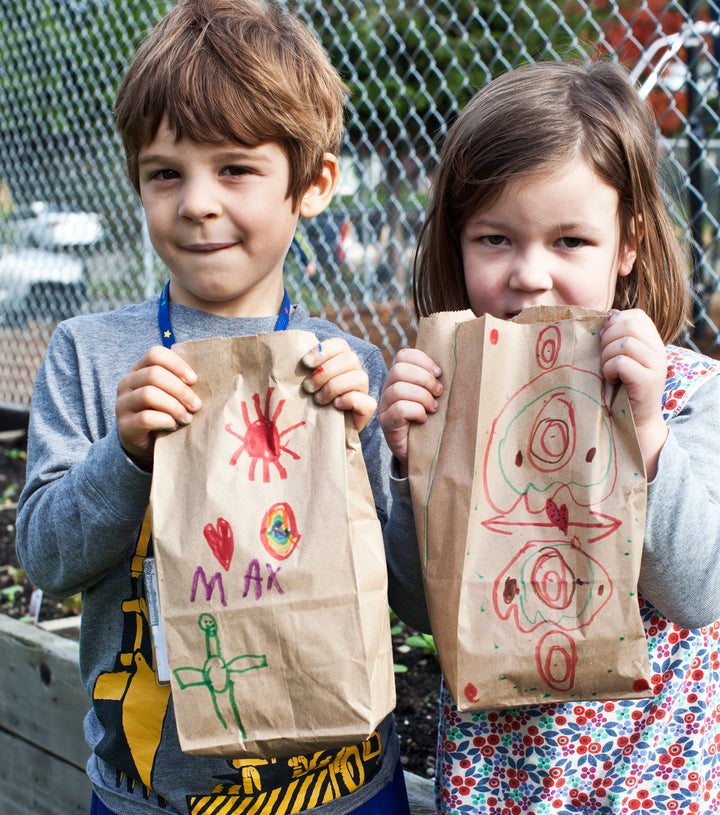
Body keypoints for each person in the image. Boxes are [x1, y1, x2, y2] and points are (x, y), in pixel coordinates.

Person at [15, 2, 410, 814]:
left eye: (235, 169)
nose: (196, 201)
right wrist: (122, 455)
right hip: (147, 795)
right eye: (166, 172)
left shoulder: (343, 367)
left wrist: (385, 450)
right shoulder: (90, 354)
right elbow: (48, 558)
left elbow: (404, 587)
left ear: (313, 185)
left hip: (341, 791)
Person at [379, 59, 720, 813]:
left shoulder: (689, 391)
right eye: (495, 239)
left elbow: (698, 590)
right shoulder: (448, 396)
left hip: (649, 787)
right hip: (499, 787)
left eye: (570, 241)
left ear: (627, 245)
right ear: (457, 242)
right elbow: (416, 604)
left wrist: (647, 430)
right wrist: (411, 469)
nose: (530, 275)